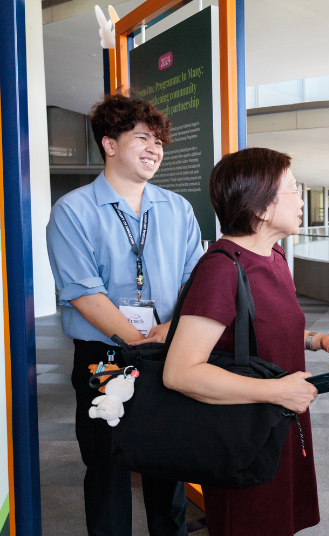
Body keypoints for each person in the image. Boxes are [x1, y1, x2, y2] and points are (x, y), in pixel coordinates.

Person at [162, 147, 329, 536]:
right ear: (261, 207)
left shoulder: (274, 256)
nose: (301, 201)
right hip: (244, 432)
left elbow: (260, 331)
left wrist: (318, 341)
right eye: (293, 189)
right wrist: (277, 390)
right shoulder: (221, 269)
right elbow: (180, 372)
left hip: (279, 421)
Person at [46, 92, 203, 536]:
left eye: (159, 141)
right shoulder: (72, 210)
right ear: (109, 144)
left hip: (168, 350)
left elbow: (196, 281)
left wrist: (168, 331)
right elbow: (84, 293)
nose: (155, 149)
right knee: (107, 463)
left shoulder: (178, 208)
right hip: (105, 357)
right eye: (142, 138)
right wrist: (140, 340)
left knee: (167, 463)